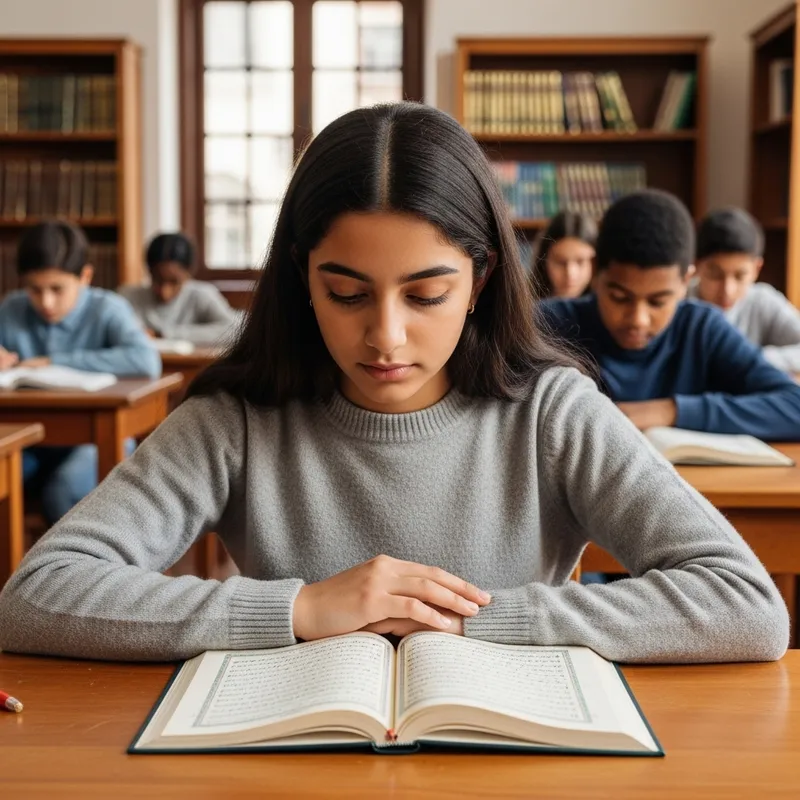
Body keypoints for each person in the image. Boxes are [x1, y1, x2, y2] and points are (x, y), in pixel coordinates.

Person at [0, 105, 787, 664]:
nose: (385, 335)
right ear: (302, 278)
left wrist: (474, 619)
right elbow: (38, 593)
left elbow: (745, 607)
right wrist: (299, 609)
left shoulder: (551, 411)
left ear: (479, 280)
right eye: (345, 293)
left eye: (426, 294)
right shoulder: (236, 418)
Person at [540, 190, 800, 440]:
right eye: (620, 298)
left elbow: (794, 407)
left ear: (686, 281)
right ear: (596, 272)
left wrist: (669, 411)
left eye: (658, 302)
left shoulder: (702, 329)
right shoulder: (549, 324)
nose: (638, 319)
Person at [0, 221, 161, 524]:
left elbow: (145, 360)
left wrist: (52, 361)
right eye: (35, 289)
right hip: (28, 441)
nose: (45, 302)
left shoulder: (108, 308)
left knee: (62, 491)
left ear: (85, 276)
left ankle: (68, 572)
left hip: (96, 440)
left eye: (57, 289)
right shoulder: (11, 309)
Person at [689, 207, 800, 373]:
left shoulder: (762, 300)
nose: (727, 290)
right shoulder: (677, 303)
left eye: (740, 276)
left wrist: (748, 359)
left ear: (756, 269)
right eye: (715, 275)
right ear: (697, 266)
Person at [120, 233, 243, 347]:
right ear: (149, 271)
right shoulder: (128, 297)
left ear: (188, 273)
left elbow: (233, 331)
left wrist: (165, 334)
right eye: (157, 280)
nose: (164, 292)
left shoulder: (202, 295)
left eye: (174, 282)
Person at [531, 211, 596, 298]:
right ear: (543, 261)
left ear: (594, 262)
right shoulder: (525, 305)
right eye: (561, 262)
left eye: (580, 261)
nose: (570, 273)